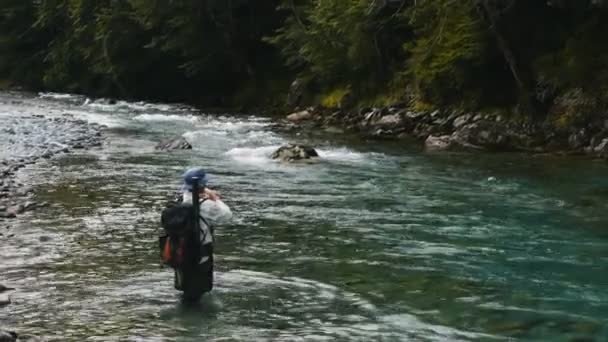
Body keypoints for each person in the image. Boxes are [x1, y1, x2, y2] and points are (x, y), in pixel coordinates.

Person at [174, 167, 232, 300]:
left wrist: (205, 195)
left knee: (186, 287)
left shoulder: (181, 200)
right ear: (203, 185)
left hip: (180, 252)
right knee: (199, 290)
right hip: (201, 253)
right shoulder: (206, 205)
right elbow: (227, 215)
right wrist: (214, 199)